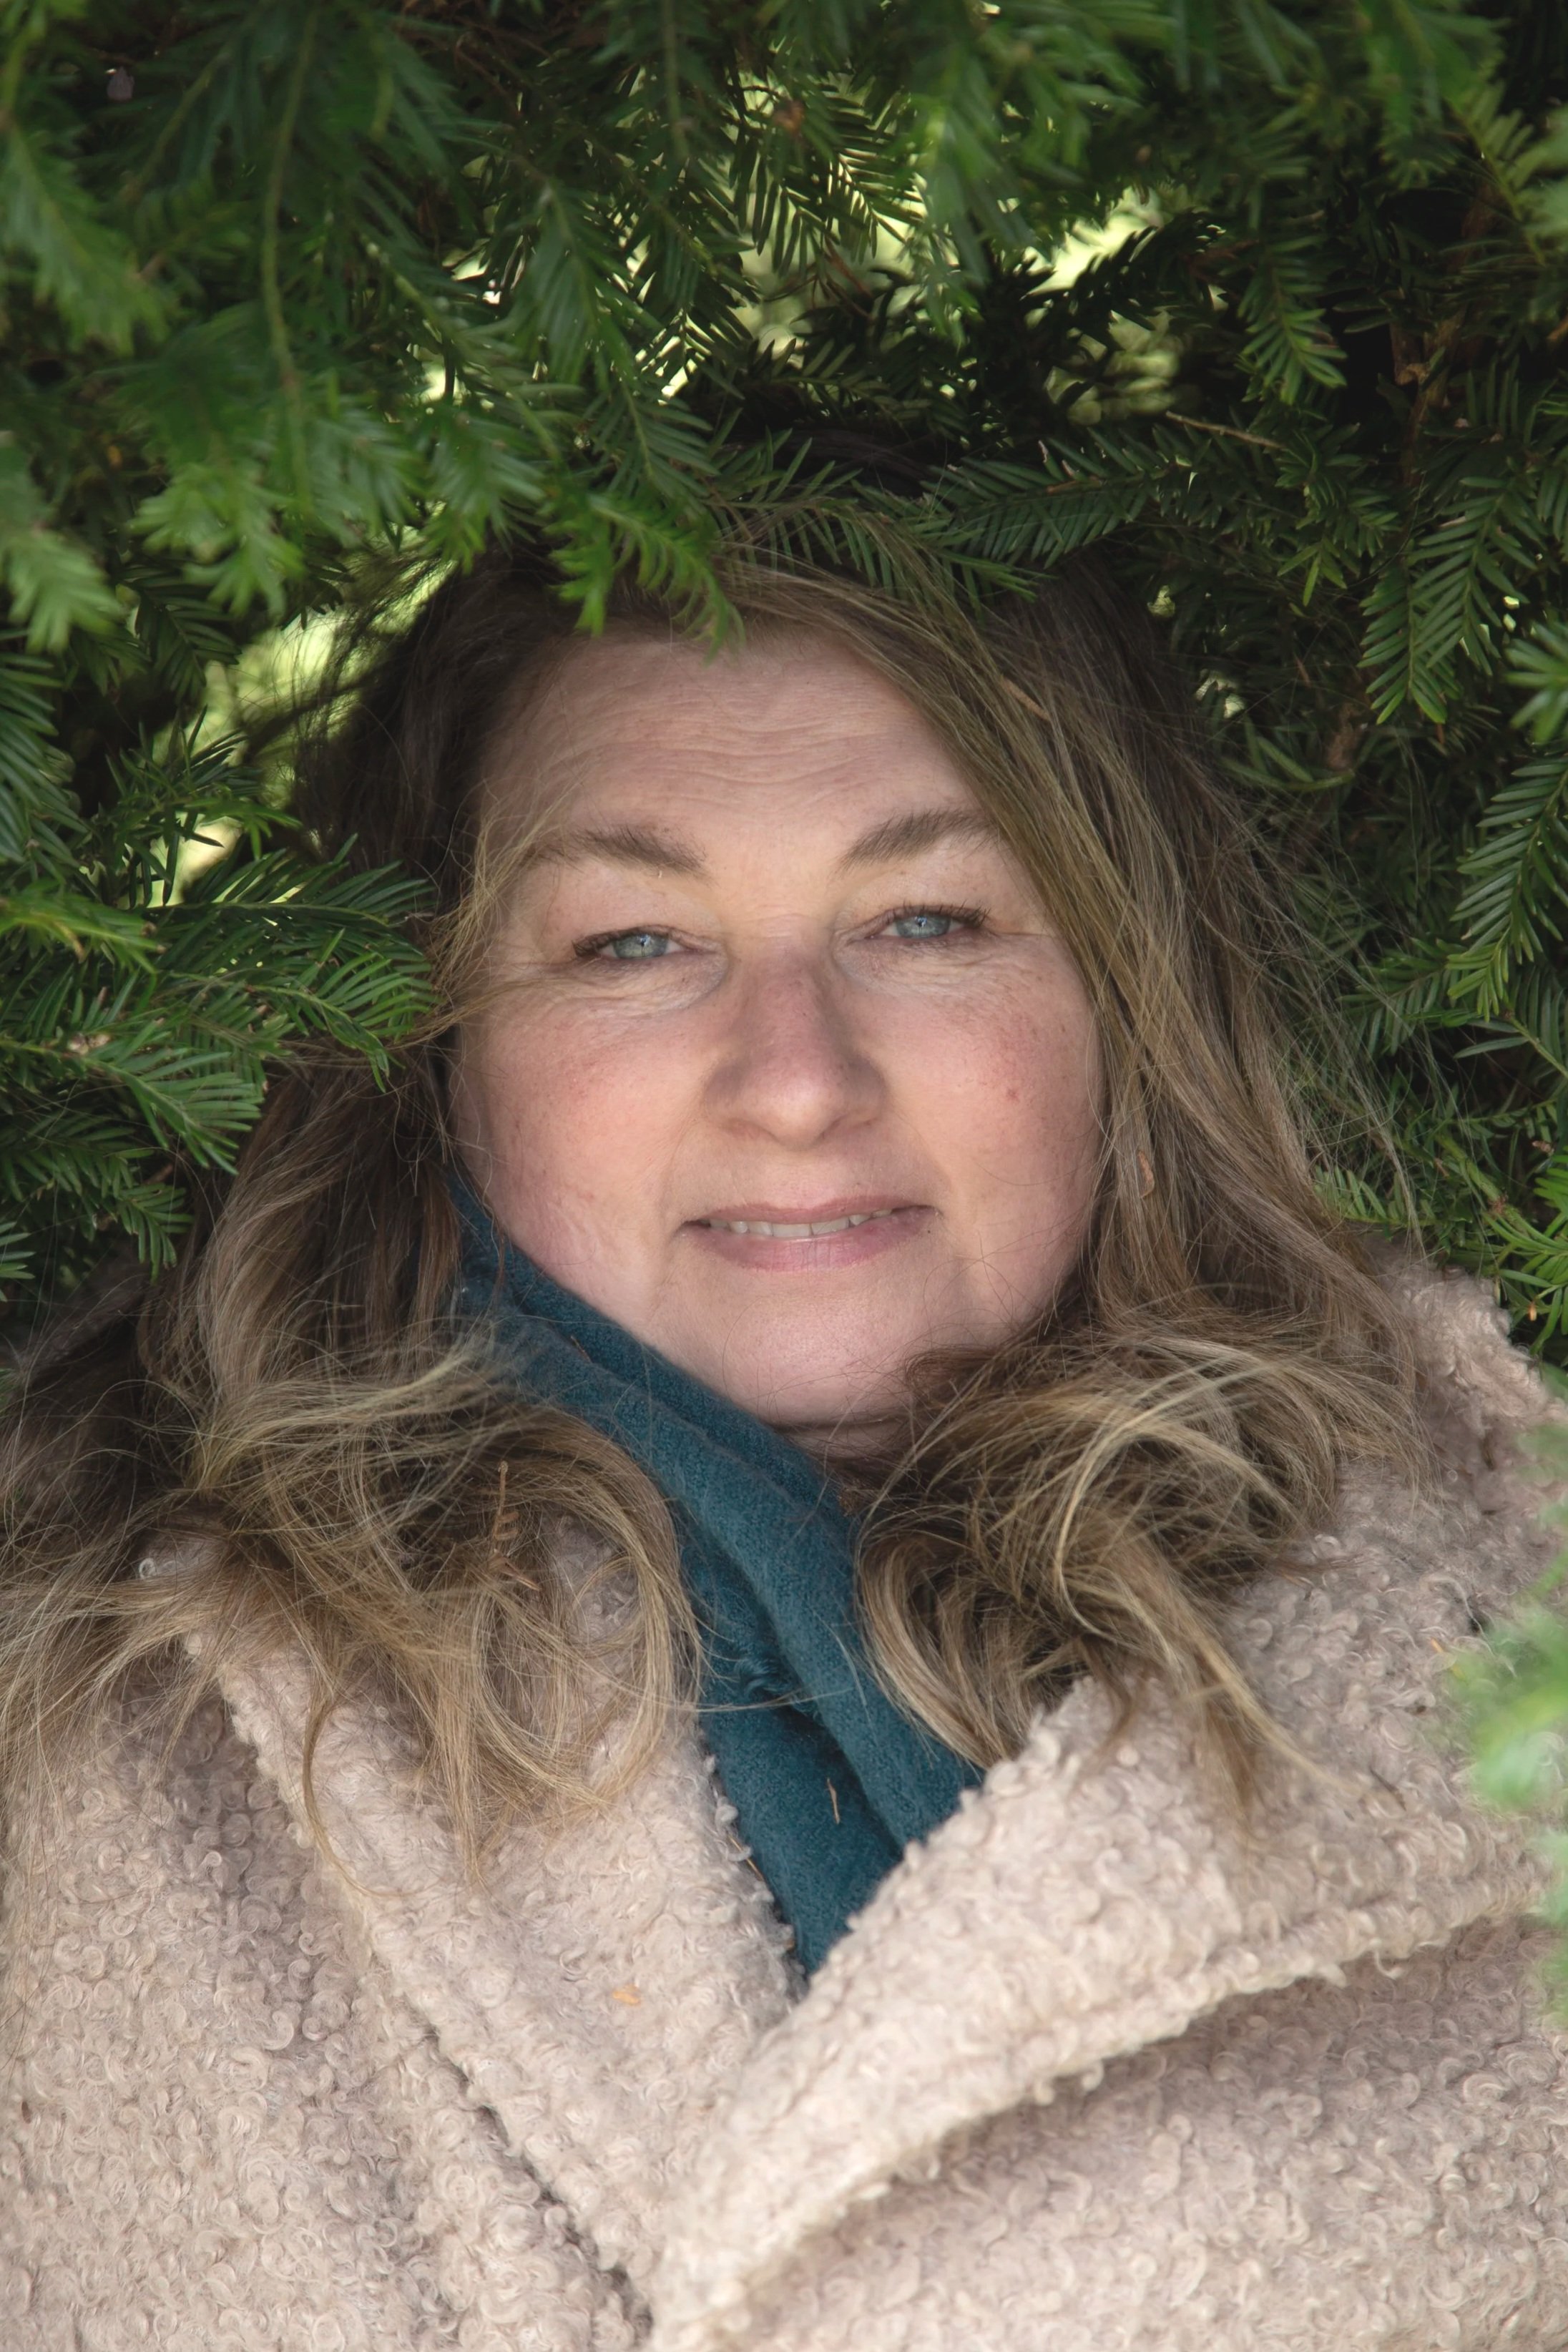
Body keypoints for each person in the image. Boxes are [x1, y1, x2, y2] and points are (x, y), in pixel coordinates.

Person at [2, 539, 1565, 2352]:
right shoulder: (88, 1674)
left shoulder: (1496, 1657)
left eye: (925, 922)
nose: (799, 1076)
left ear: (1124, 999)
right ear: (432, 1039)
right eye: (633, 943)